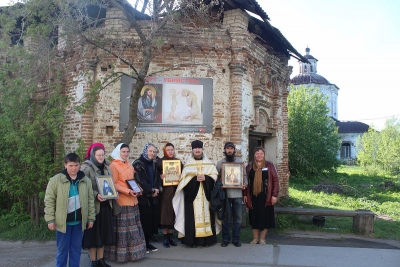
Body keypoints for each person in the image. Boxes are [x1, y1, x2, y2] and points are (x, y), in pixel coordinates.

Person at [44, 152, 95, 267]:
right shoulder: (55, 180)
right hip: (63, 223)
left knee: (76, 251)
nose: (74, 168)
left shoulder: (85, 180)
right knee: (62, 250)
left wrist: (90, 218)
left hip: (78, 223)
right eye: (71, 165)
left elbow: (90, 200)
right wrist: (50, 219)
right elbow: (49, 200)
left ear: (80, 165)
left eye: (76, 165)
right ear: (65, 165)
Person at [173, 140, 220, 248]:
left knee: (207, 216)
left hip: (206, 196)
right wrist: (194, 179)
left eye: (199, 148)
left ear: (202, 149)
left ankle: (206, 241)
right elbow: (183, 181)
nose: (197, 150)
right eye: (195, 148)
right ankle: (192, 241)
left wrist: (206, 178)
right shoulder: (188, 165)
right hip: (192, 197)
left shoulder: (209, 164)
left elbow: (215, 177)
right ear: (192, 150)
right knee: (192, 219)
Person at [104, 143, 146, 262]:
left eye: (127, 151)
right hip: (122, 201)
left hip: (133, 201)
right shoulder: (114, 165)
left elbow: (132, 180)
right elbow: (113, 183)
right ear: (118, 152)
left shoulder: (129, 164)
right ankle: (121, 255)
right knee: (123, 230)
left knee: (133, 228)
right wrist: (128, 191)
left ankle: (134, 254)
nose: (126, 154)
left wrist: (138, 188)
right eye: (123, 152)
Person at [81, 145, 115, 267]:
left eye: (102, 155)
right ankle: (93, 261)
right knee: (93, 235)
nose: (101, 157)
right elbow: (84, 187)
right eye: (98, 155)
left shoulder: (107, 168)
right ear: (93, 156)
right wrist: (96, 195)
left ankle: (101, 259)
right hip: (94, 207)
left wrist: (113, 192)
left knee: (104, 234)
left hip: (106, 206)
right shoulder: (88, 170)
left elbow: (110, 184)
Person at [243, 147, 279, 245]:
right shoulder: (249, 166)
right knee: (254, 216)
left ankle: (262, 239)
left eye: (261, 153)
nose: (259, 155)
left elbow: (275, 180)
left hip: (266, 196)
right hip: (253, 196)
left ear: (264, 155)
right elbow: (246, 181)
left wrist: (274, 195)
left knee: (265, 217)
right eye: (257, 153)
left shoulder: (270, 165)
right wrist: (245, 194)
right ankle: (255, 239)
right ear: (254, 155)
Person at [216, 142, 248, 248]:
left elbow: (244, 176)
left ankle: (236, 239)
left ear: (234, 150)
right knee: (226, 218)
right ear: (225, 150)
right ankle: (225, 239)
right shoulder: (220, 163)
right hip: (225, 195)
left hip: (237, 194)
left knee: (238, 218)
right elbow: (216, 178)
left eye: (231, 148)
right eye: (228, 149)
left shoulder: (240, 163)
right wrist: (220, 184)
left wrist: (244, 184)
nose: (229, 150)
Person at [132, 143, 162, 253]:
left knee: (151, 221)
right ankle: (143, 244)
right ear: (145, 151)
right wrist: (151, 191)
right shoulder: (138, 163)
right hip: (143, 198)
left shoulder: (154, 163)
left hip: (153, 198)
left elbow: (157, 178)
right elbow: (140, 181)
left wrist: (158, 189)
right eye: (150, 151)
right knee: (144, 221)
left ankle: (148, 243)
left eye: (154, 152)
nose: (153, 153)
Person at [156, 143, 183, 248]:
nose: (170, 152)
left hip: (175, 192)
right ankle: (165, 237)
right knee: (164, 214)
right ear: (164, 151)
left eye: (172, 149)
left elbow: (183, 176)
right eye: (168, 150)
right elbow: (154, 177)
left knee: (173, 214)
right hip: (164, 193)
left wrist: (181, 176)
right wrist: (160, 177)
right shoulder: (159, 162)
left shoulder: (178, 162)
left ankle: (171, 236)